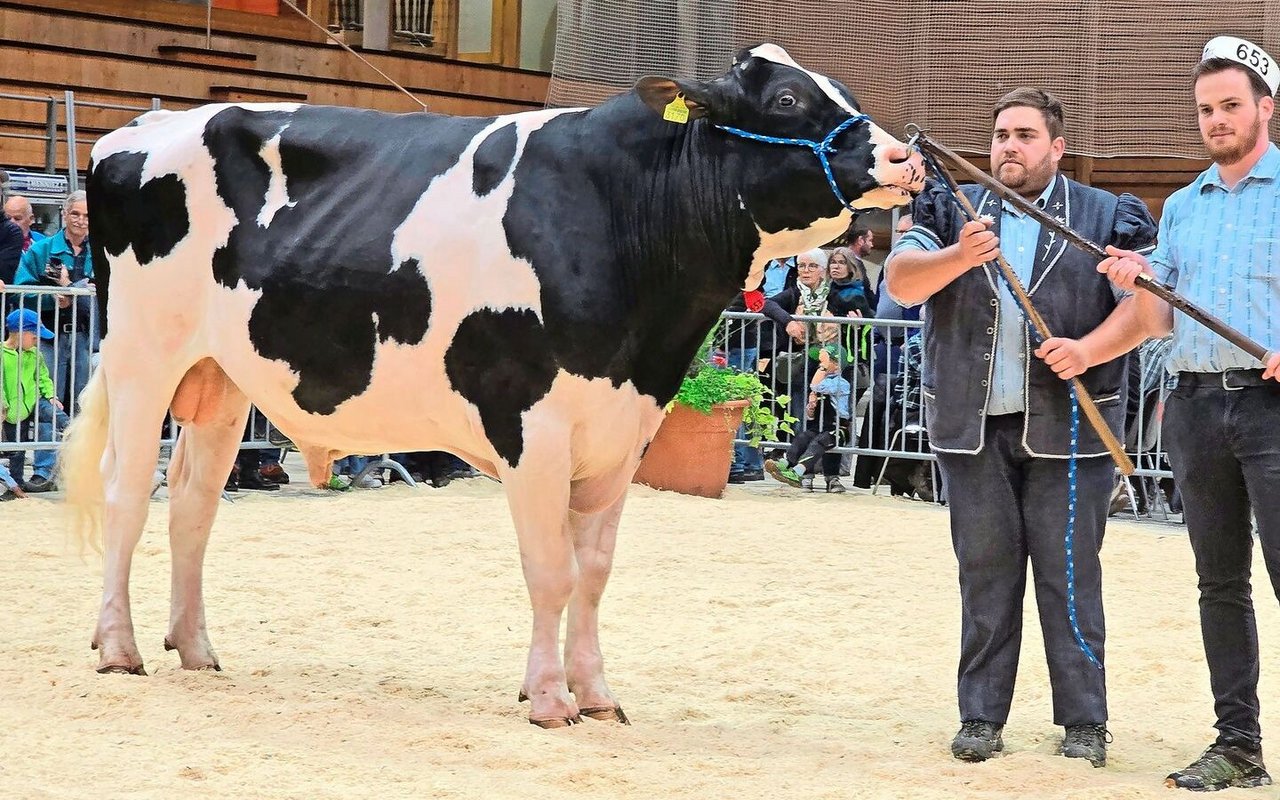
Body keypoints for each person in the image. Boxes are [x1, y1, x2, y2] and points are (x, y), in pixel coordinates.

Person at [886, 87, 1158, 767]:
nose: (1010, 146)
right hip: (971, 430)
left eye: (1026, 136)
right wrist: (958, 257)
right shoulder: (951, 207)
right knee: (985, 574)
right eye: (1002, 134)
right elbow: (900, 281)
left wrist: (1088, 350)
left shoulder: (1103, 216)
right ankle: (980, 716)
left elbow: (1147, 306)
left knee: (1070, 577)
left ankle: (1085, 723)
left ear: (1056, 148)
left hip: (1071, 431)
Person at [1099, 35, 1280, 791]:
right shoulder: (1180, 206)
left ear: (1265, 108)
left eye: (1231, 106)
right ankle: (1237, 746)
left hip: (1273, 409)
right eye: (1206, 109)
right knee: (1219, 583)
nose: (1217, 120)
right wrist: (1135, 277)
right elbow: (1159, 317)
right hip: (1196, 407)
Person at [14, 191, 93, 414]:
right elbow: (19, 291)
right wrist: (51, 297)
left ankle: (80, 450)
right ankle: (46, 449)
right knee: (48, 399)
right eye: (75, 213)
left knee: (85, 401)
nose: (81, 220)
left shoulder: (99, 252)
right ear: (65, 214)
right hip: (48, 335)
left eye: (87, 215)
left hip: (85, 337)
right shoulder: (42, 250)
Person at [762, 346, 852, 492]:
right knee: (802, 438)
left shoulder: (840, 383)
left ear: (836, 364)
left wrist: (823, 367)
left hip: (837, 428)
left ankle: (796, 472)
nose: (820, 365)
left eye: (825, 361)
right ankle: (785, 463)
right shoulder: (822, 381)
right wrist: (811, 409)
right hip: (819, 426)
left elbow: (815, 385)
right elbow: (811, 416)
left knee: (819, 442)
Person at [1, 308, 69, 492]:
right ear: (22, 333)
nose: (37, 339)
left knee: (51, 411)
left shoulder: (35, 354)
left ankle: (72, 428)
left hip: (33, 402)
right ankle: (16, 484)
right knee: (16, 450)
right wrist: (3, 404)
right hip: (11, 410)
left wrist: (50, 394)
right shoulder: (1, 353)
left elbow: (43, 377)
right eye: (34, 335)